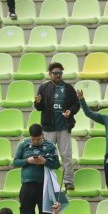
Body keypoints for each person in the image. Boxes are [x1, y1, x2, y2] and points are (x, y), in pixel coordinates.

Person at [14, 124, 66, 214]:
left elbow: (56, 164)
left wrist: (45, 162)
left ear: (42, 135)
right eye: (33, 139)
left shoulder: (50, 146)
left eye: (38, 139)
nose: (35, 141)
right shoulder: (23, 144)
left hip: (45, 185)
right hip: (27, 185)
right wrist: (28, 161)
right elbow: (15, 162)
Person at [34, 62, 79, 192]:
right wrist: (37, 102)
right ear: (50, 74)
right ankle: (46, 180)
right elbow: (39, 108)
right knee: (47, 155)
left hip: (64, 127)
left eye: (60, 73)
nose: (58, 75)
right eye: (55, 73)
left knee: (66, 155)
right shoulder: (43, 88)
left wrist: (70, 111)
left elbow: (76, 104)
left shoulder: (68, 88)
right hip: (48, 128)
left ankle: (68, 181)